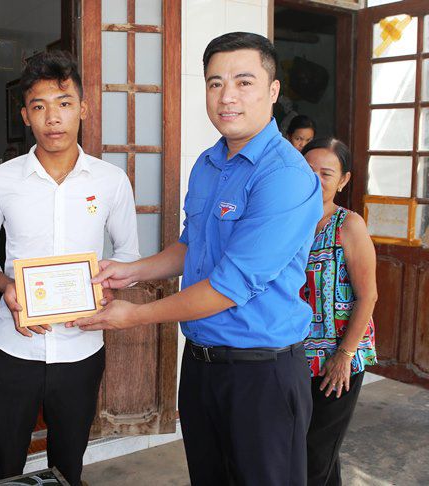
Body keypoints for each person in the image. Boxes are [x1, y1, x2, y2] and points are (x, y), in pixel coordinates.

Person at [69, 32, 323, 485]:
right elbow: (192, 247)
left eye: (244, 82)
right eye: (214, 83)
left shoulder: (285, 176)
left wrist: (134, 316)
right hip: (202, 366)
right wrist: (129, 271)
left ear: (273, 90)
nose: (227, 97)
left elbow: (228, 287)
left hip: (261, 374)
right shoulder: (208, 164)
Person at [0, 50, 139, 486]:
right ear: (25, 115)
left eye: (64, 103)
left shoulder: (110, 181)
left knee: (68, 465)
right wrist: (5, 285)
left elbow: (129, 255)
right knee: (4, 463)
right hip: (13, 349)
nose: (53, 118)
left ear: (83, 108)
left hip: (81, 349)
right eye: (39, 106)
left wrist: (109, 285)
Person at [300, 138, 377, 486]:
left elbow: (368, 296)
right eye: (308, 170)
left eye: (326, 173)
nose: (315, 179)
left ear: (343, 180)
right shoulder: (288, 223)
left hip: (337, 358)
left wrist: (344, 355)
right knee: (312, 452)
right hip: (294, 356)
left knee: (315, 454)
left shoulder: (349, 225)